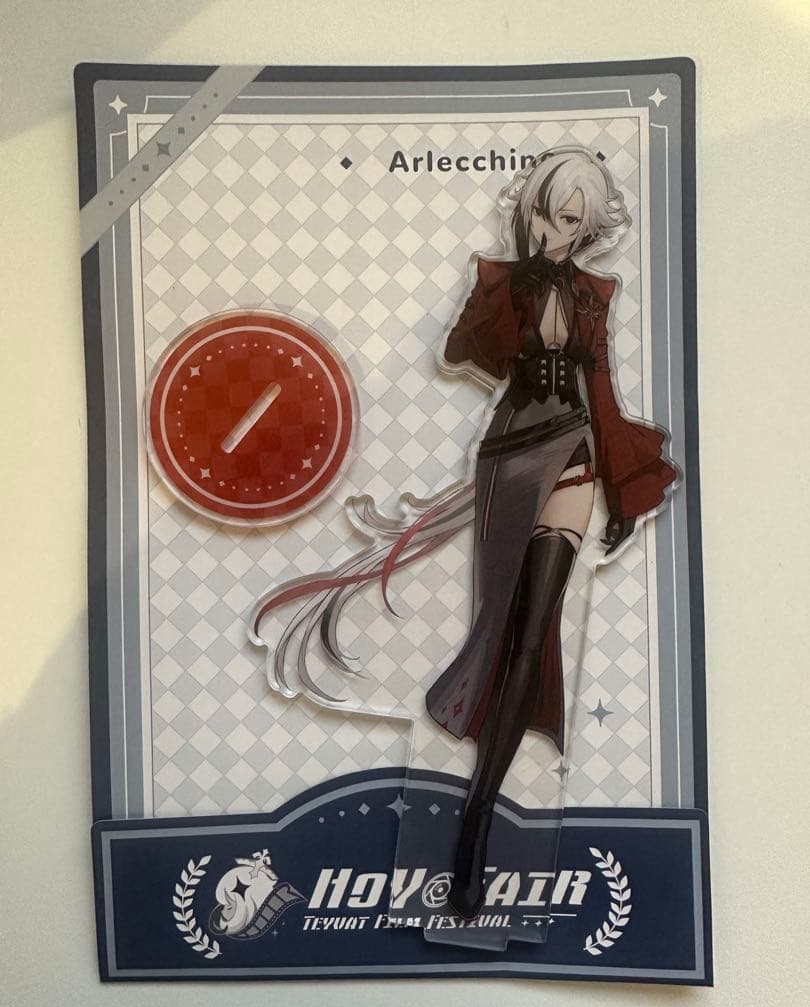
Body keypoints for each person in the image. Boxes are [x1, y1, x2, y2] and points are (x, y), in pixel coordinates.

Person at [250, 147, 677, 920]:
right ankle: (476, 798)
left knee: (535, 632)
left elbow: (602, 388)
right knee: (500, 626)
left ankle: (476, 822)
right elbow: (460, 351)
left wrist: (624, 491)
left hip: (575, 453)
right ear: (530, 209)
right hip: (509, 457)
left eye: (573, 221)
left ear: (588, 228)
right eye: (549, 213)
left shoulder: (593, 293)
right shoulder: (500, 279)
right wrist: (507, 289)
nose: (557, 231)